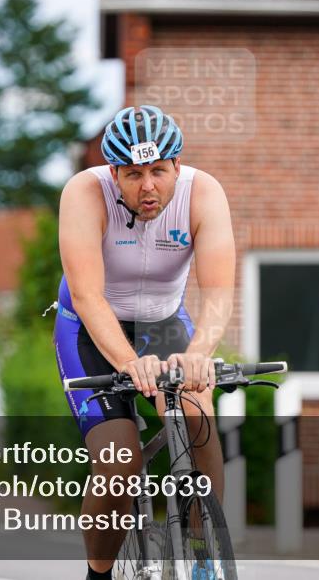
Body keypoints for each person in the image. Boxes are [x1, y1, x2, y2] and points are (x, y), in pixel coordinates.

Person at [54, 105, 236, 580]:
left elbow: (218, 293)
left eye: (159, 171)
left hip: (164, 320)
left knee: (199, 418)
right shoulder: (84, 193)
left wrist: (199, 357)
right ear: (113, 173)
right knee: (119, 465)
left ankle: (203, 554)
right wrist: (130, 363)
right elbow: (88, 296)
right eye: (134, 174)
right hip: (91, 329)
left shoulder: (203, 194)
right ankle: (99, 573)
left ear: (177, 165)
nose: (148, 186)